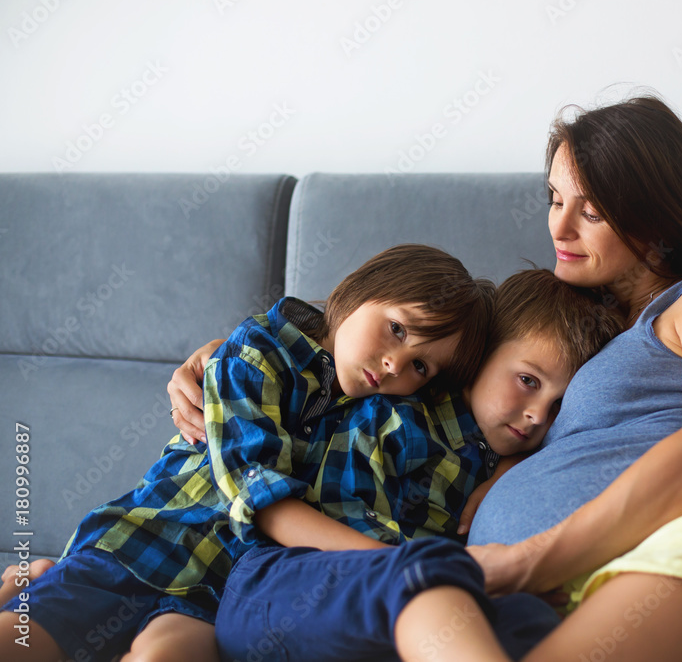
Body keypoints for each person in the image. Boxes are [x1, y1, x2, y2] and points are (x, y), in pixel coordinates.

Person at [172, 93, 682, 662]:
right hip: (539, 591)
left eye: (592, 210)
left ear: (657, 219)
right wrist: (228, 352)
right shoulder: (571, 321)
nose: (560, 225)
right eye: (554, 198)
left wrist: (526, 558)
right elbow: (382, 327)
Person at [0, 244, 494, 662]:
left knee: (163, 655)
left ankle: (30, 579)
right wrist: (391, 564)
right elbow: (260, 496)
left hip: (221, 586)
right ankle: (31, 583)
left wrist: (504, 469)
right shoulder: (259, 348)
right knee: (26, 638)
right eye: (398, 329)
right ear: (361, 290)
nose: (394, 364)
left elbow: (490, 429)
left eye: (421, 367)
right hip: (151, 538)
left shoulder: (387, 411)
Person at [210, 267, 622, 662]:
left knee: (524, 616)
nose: (537, 416)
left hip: (392, 605)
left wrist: (510, 467)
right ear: (474, 357)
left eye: (558, 406)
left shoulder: (499, 458)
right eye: (528, 381)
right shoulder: (396, 402)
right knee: (430, 582)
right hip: (282, 579)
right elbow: (341, 504)